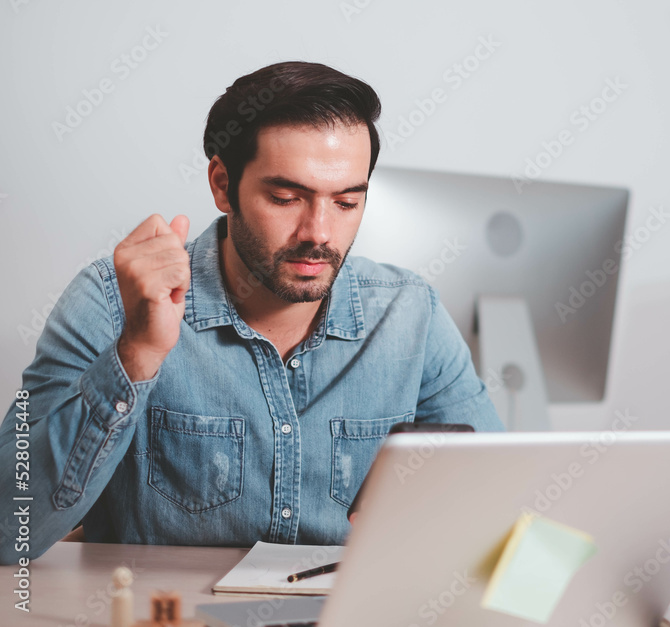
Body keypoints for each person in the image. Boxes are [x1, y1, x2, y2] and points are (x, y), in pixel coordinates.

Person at [0, 61, 503, 564]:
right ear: (222, 184)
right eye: (286, 198)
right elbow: (8, 531)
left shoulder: (410, 313)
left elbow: (503, 514)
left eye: (347, 203)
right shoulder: (113, 300)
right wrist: (137, 354)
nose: (319, 233)